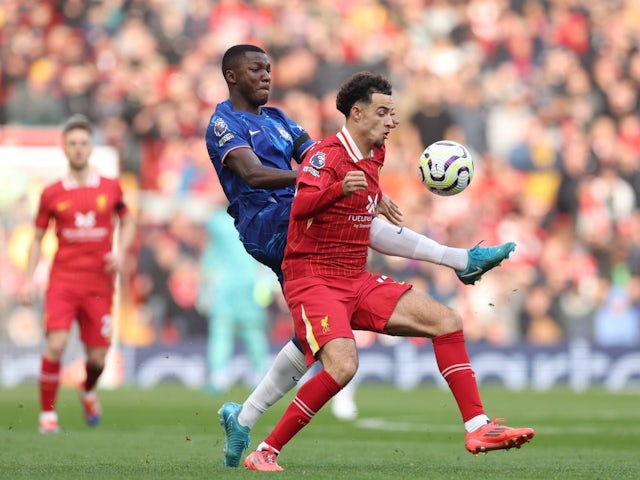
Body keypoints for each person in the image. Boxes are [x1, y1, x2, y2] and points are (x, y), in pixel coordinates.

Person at [205, 44, 517, 467]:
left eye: (269, 69)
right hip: (269, 224)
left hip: (332, 256)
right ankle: (461, 260)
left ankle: (244, 418)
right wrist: (326, 181)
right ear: (232, 76)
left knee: (311, 337)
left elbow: (324, 155)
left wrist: (361, 187)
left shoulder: (278, 120)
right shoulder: (224, 123)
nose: (266, 76)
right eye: (255, 69)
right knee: (346, 239)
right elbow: (256, 173)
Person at [20, 114, 136, 434]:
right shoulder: (52, 193)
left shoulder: (111, 188)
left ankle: (87, 390)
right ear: (64, 148)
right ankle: (48, 415)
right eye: (72, 144)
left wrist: (120, 252)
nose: (79, 149)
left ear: (91, 147)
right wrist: (30, 280)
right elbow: (37, 237)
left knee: (97, 359)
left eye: (84, 143)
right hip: (63, 280)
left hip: (100, 283)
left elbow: (127, 221)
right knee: (55, 344)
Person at [199, 208, 270, 393]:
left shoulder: (218, 221)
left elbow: (210, 254)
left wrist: (205, 289)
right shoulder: (256, 216)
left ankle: (225, 374)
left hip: (235, 284)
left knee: (238, 330)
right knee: (238, 330)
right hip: (240, 284)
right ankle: (248, 373)